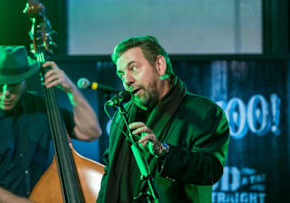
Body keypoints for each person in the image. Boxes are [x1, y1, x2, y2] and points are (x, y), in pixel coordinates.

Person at [0, 45, 102, 203]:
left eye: (13, 84)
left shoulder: (39, 105)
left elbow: (91, 132)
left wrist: (71, 90)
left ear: (25, 82)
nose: (6, 93)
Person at [97, 36, 230, 203]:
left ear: (159, 66)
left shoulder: (205, 111)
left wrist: (163, 150)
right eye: (121, 74)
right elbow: (110, 173)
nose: (127, 81)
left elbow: (210, 169)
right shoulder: (122, 114)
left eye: (134, 68)